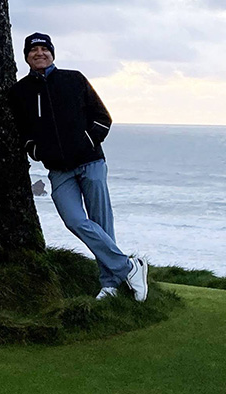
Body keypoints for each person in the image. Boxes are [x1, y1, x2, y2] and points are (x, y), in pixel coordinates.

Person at [8, 32, 148, 301]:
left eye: (44, 49)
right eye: (34, 50)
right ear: (26, 56)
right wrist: (34, 149)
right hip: (59, 171)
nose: (40, 53)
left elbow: (103, 118)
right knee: (74, 220)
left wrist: (86, 143)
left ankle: (109, 284)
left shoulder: (74, 79)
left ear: (52, 53)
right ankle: (129, 267)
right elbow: (22, 130)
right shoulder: (20, 92)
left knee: (101, 223)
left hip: (91, 163)